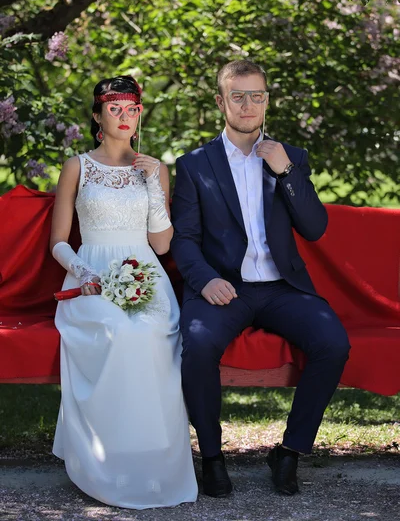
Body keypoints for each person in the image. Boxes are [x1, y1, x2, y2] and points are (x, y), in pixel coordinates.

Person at [170, 60, 350, 497]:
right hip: (224, 288)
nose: (248, 105)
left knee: (334, 344)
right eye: (238, 96)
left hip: (281, 288)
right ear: (221, 102)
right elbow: (185, 240)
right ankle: (211, 457)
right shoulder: (195, 164)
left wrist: (287, 171)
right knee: (196, 343)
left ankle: (288, 452)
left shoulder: (289, 157)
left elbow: (314, 228)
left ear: (267, 100)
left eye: (257, 96)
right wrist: (206, 280)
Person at [50, 75, 197, 509]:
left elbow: (162, 244)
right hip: (90, 274)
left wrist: (153, 184)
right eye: (114, 108)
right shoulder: (77, 165)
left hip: (144, 272)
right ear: (97, 116)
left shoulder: (155, 168)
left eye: (131, 108)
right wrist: (82, 271)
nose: (124, 116)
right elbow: (58, 240)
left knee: (151, 334)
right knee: (119, 331)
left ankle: (152, 459)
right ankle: (105, 458)